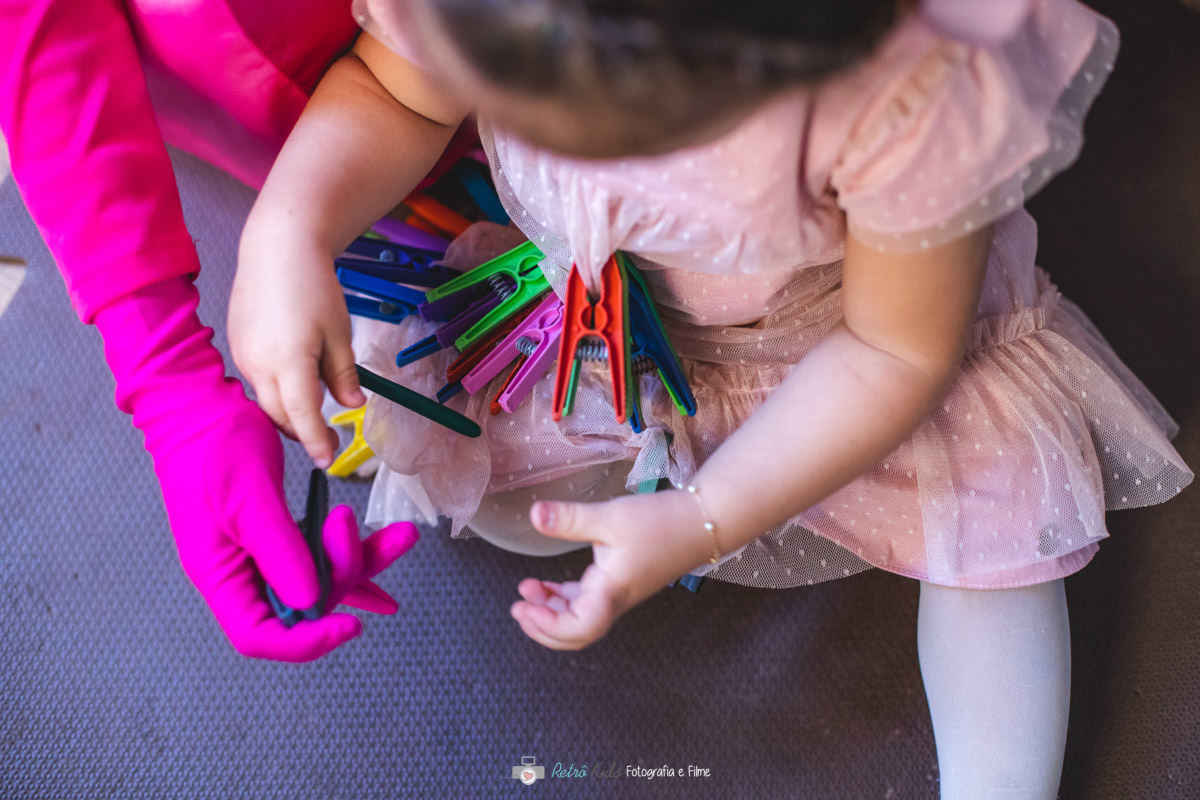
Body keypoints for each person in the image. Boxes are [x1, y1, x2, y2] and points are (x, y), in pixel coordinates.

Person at [232, 0, 1193, 795]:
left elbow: (897, 351)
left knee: (1004, 526)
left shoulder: (909, 92)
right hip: (607, 321)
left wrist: (704, 515)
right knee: (495, 506)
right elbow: (397, 89)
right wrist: (289, 229)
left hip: (853, 338)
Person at [0, 0, 427, 662]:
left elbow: (416, 80)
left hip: (404, 102)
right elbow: (34, 22)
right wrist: (165, 374)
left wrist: (297, 219)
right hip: (206, 93)